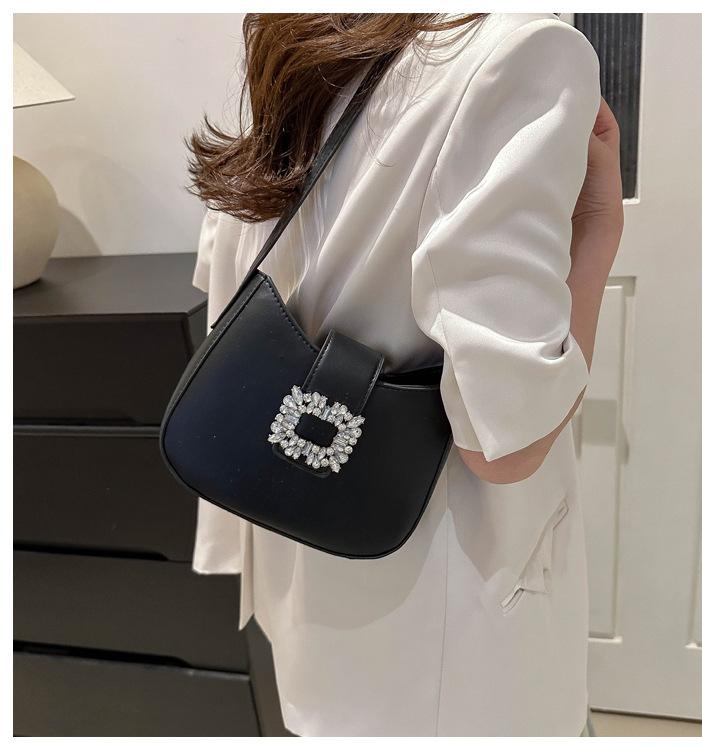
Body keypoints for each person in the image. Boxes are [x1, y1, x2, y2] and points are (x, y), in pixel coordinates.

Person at [186, 12, 623, 737]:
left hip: (307, 565)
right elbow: (507, 444)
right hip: (445, 610)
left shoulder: (299, 33)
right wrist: (599, 229)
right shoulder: (522, 50)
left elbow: (230, 270)